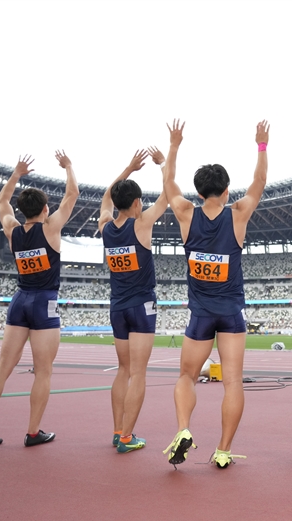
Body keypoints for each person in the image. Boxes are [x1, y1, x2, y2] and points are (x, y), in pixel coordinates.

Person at [161, 118, 269, 469]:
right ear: (226, 191)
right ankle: (222, 450)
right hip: (231, 314)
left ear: (198, 192)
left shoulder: (185, 213)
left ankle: (183, 429)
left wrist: (174, 145)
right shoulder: (237, 215)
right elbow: (260, 183)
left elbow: (167, 184)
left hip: (200, 315)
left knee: (186, 377)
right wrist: (261, 145)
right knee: (233, 380)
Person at [0, 151, 79, 447]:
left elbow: (2, 202)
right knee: (43, 371)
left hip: (19, 300)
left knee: (3, 366)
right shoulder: (51, 228)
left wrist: (16, 174)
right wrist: (68, 166)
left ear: (23, 211)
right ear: (46, 209)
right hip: (45, 302)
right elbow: (72, 195)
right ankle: (33, 432)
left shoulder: (13, 230)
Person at [98, 148, 168, 453]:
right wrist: (163, 163)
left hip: (117, 307)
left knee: (123, 370)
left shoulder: (105, 228)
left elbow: (104, 198)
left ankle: (117, 432)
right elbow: (168, 196)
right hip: (142, 306)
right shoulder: (141, 225)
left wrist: (128, 169)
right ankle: (127, 438)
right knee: (138, 373)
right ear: (137, 203)